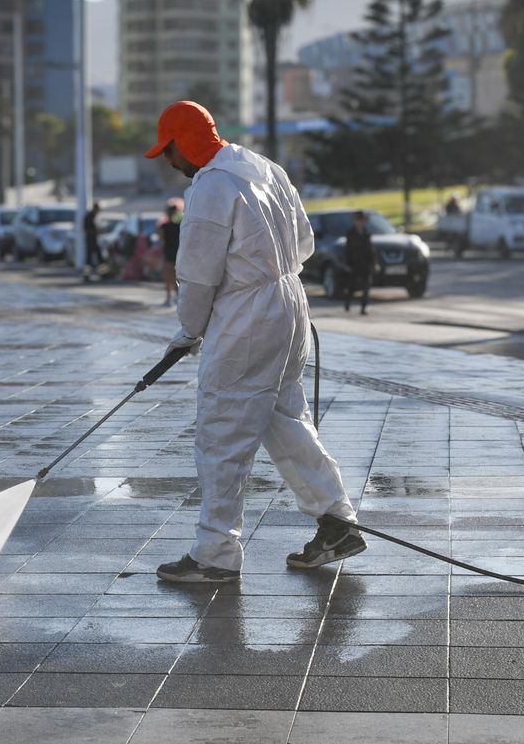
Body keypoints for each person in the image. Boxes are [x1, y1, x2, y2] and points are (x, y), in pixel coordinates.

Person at [143, 100, 363, 584]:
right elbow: (304, 243)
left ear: (183, 143)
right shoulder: (264, 168)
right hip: (289, 304)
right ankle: (337, 521)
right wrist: (272, 279)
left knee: (222, 432)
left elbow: (197, 274)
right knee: (284, 419)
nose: (169, 162)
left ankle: (215, 554)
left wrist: (190, 329)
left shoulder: (211, 186)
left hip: (248, 315)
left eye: (168, 151)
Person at [344, 210, 375, 315]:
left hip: (366, 264)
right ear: (355, 221)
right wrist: (347, 264)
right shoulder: (350, 233)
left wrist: (374, 263)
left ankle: (363, 308)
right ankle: (347, 301)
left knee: (366, 287)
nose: (361, 222)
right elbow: (347, 250)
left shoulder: (367, 233)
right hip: (354, 264)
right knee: (353, 286)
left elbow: (371, 249)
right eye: (358, 220)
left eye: (362, 220)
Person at [160, 202, 181, 306]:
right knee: (177, 276)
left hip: (168, 253)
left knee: (168, 276)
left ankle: (169, 298)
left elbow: (161, 240)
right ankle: (177, 297)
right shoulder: (180, 226)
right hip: (177, 253)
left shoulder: (163, 226)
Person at [83, 201, 103, 280]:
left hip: (93, 240)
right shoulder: (89, 217)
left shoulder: (93, 216)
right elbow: (87, 229)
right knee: (89, 259)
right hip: (91, 240)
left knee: (99, 257)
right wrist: (96, 231)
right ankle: (86, 275)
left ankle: (102, 273)